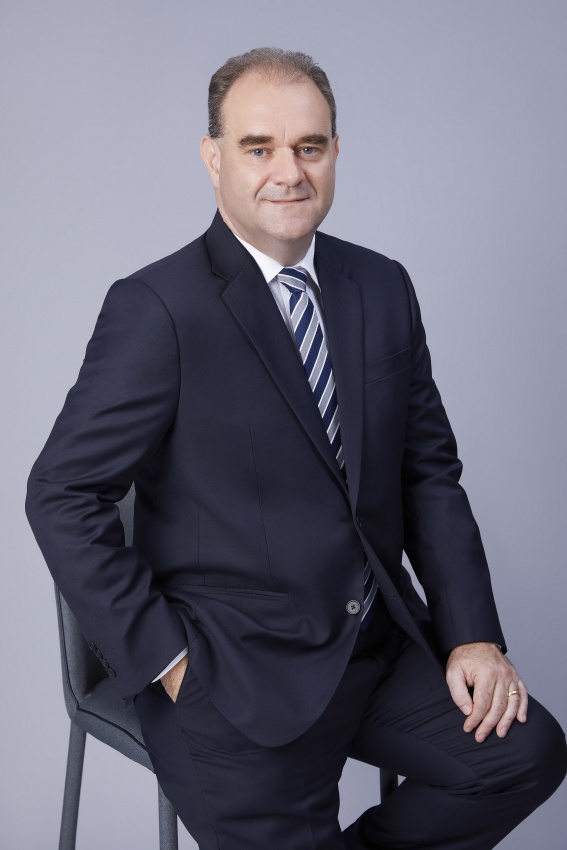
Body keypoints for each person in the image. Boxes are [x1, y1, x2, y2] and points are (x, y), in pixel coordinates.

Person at [26, 47, 566, 849]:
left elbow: (427, 474)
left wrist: (472, 635)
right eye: (259, 148)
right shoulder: (157, 308)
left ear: (335, 152)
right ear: (213, 158)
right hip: (230, 672)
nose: (289, 172)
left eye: (309, 147)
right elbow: (61, 492)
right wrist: (167, 661)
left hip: (375, 646)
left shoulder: (380, 286)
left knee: (523, 756)